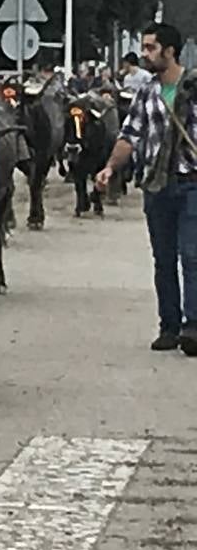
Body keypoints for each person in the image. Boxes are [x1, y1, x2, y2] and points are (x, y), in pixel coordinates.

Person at [96, 22, 197, 354]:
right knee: (163, 259)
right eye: (145, 47)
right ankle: (168, 326)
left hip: (191, 183)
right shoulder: (146, 91)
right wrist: (111, 167)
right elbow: (130, 135)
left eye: (151, 48)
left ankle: (192, 326)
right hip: (156, 185)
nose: (145, 54)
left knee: (192, 255)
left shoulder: (194, 87)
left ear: (169, 51)